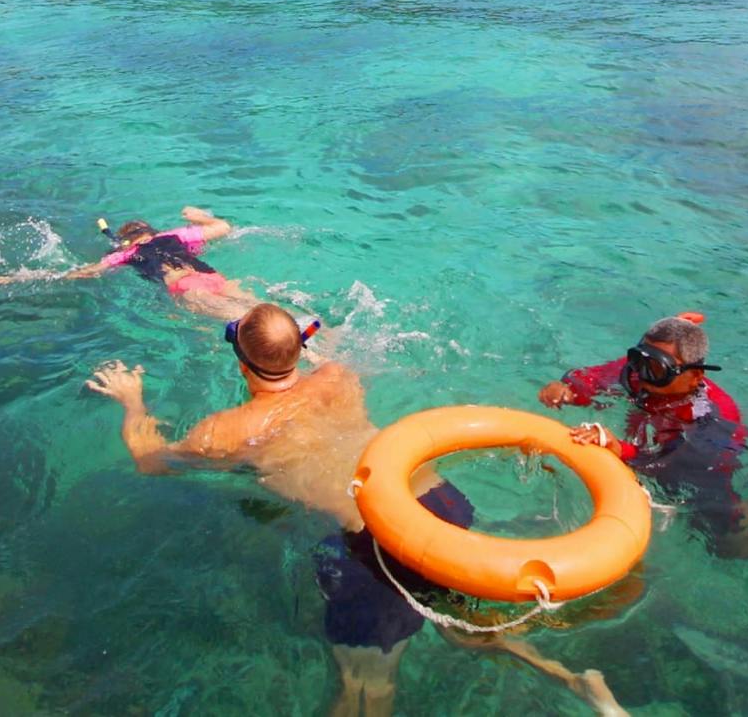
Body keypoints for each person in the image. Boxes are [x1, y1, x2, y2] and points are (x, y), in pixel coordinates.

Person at [87, 304, 624, 717]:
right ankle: (573, 681)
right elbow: (317, 360)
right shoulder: (338, 376)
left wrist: (132, 399)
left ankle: (576, 684)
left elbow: (151, 462)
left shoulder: (223, 432)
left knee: (362, 686)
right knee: (454, 610)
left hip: (372, 536)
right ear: (302, 345)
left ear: (239, 357)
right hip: (438, 501)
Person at [538, 313, 748, 592]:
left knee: (722, 543)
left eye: (657, 369)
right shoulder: (639, 372)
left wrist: (621, 449)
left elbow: (676, 465)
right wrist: (567, 390)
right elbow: (592, 379)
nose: (641, 374)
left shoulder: (714, 414)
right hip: (657, 441)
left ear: (694, 377)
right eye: (638, 361)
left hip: (701, 469)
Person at [0, 205, 257, 321]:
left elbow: (82, 273)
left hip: (187, 286)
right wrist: (199, 217)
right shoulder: (175, 235)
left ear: (125, 241)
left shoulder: (124, 254)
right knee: (265, 313)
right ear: (151, 230)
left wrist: (22, 277)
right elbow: (223, 227)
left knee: (246, 323)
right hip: (213, 276)